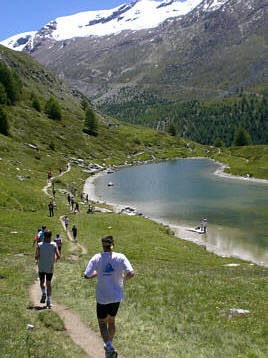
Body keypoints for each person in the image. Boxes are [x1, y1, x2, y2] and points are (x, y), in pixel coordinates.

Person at [84, 235, 134, 357]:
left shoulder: (97, 257)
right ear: (113, 244)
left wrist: (96, 274)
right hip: (117, 296)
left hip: (103, 297)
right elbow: (131, 273)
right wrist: (123, 279)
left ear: (103, 245)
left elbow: (87, 275)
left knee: (102, 324)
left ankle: (110, 348)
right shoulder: (121, 257)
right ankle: (109, 347)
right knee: (111, 322)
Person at [35, 230, 60, 308]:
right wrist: (54, 260)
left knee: (42, 282)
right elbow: (58, 256)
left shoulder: (39, 245)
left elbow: (36, 256)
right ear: (50, 236)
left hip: (41, 266)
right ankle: (48, 301)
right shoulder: (54, 245)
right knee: (49, 284)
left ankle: (43, 293)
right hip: (50, 267)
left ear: (44, 236)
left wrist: (38, 257)